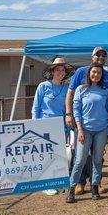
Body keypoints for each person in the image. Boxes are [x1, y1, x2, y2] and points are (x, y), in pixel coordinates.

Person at [65, 46, 108, 195]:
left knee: (97, 159)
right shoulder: (80, 79)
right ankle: (74, 186)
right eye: (97, 55)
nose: (100, 58)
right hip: (84, 128)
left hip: (101, 128)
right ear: (92, 57)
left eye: (103, 56)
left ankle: (95, 186)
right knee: (80, 159)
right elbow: (72, 97)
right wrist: (70, 116)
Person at [32, 57, 75, 196]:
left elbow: (67, 110)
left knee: (58, 156)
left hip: (60, 127)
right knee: (46, 156)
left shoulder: (67, 88)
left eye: (62, 70)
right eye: (57, 70)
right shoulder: (43, 86)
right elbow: (36, 107)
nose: (60, 72)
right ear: (52, 71)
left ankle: (57, 182)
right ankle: (47, 184)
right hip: (44, 126)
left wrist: (68, 130)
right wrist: (35, 126)